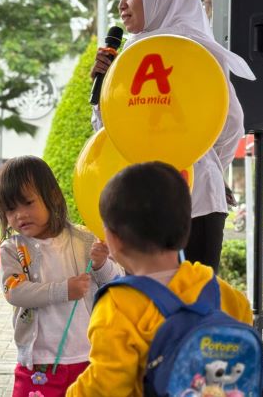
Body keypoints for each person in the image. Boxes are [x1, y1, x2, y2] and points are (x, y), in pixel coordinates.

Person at [90, 0, 253, 271]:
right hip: (140, 201)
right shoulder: (129, 55)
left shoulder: (192, 49)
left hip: (197, 201)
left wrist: (201, 164)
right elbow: (112, 134)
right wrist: (104, 88)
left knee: (191, 303)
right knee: (148, 309)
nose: (122, 3)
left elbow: (230, 122)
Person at [65, 162, 252, 395]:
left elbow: (105, 387)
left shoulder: (118, 306)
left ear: (113, 239)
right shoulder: (228, 295)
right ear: (186, 228)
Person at [0, 156, 123, 397]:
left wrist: (102, 264)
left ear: (52, 195)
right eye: (11, 208)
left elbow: (116, 282)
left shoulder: (84, 239)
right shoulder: (13, 249)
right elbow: (14, 291)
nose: (20, 215)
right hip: (38, 363)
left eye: (28, 203)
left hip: (89, 359)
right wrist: (63, 290)